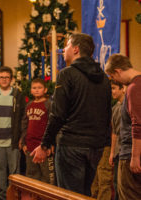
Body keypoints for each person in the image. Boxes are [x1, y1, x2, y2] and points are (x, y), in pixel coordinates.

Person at [31, 33, 111, 196]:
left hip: (71, 145)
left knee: (69, 195)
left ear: (75, 49)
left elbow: (58, 114)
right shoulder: (103, 77)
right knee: (85, 195)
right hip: (96, 146)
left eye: (66, 45)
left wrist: (45, 144)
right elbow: (106, 114)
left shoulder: (67, 74)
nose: (63, 49)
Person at [0, 66, 26, 200]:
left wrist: (21, 139)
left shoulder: (17, 95)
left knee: (14, 170)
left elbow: (22, 119)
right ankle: (0, 195)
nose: (4, 80)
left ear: (11, 79)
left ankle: (14, 195)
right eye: (1, 77)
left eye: (7, 77)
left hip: (13, 140)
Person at [105, 54, 141, 199]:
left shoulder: (133, 87)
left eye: (113, 77)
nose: (115, 80)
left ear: (118, 71)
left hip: (131, 154)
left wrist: (135, 156)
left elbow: (137, 124)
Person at [20, 78, 55, 184]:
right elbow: (24, 125)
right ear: (31, 90)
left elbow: (53, 125)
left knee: (48, 177)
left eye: (39, 88)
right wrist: (23, 142)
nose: (36, 90)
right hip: (30, 146)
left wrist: (51, 144)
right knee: (32, 176)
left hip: (44, 147)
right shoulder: (29, 105)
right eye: (34, 88)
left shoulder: (49, 104)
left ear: (45, 90)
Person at [108, 80, 125, 200]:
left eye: (114, 88)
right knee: (116, 183)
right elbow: (114, 132)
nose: (112, 91)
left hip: (127, 150)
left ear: (122, 88)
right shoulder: (115, 108)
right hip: (119, 151)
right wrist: (112, 152)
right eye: (111, 89)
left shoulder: (129, 106)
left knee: (124, 185)